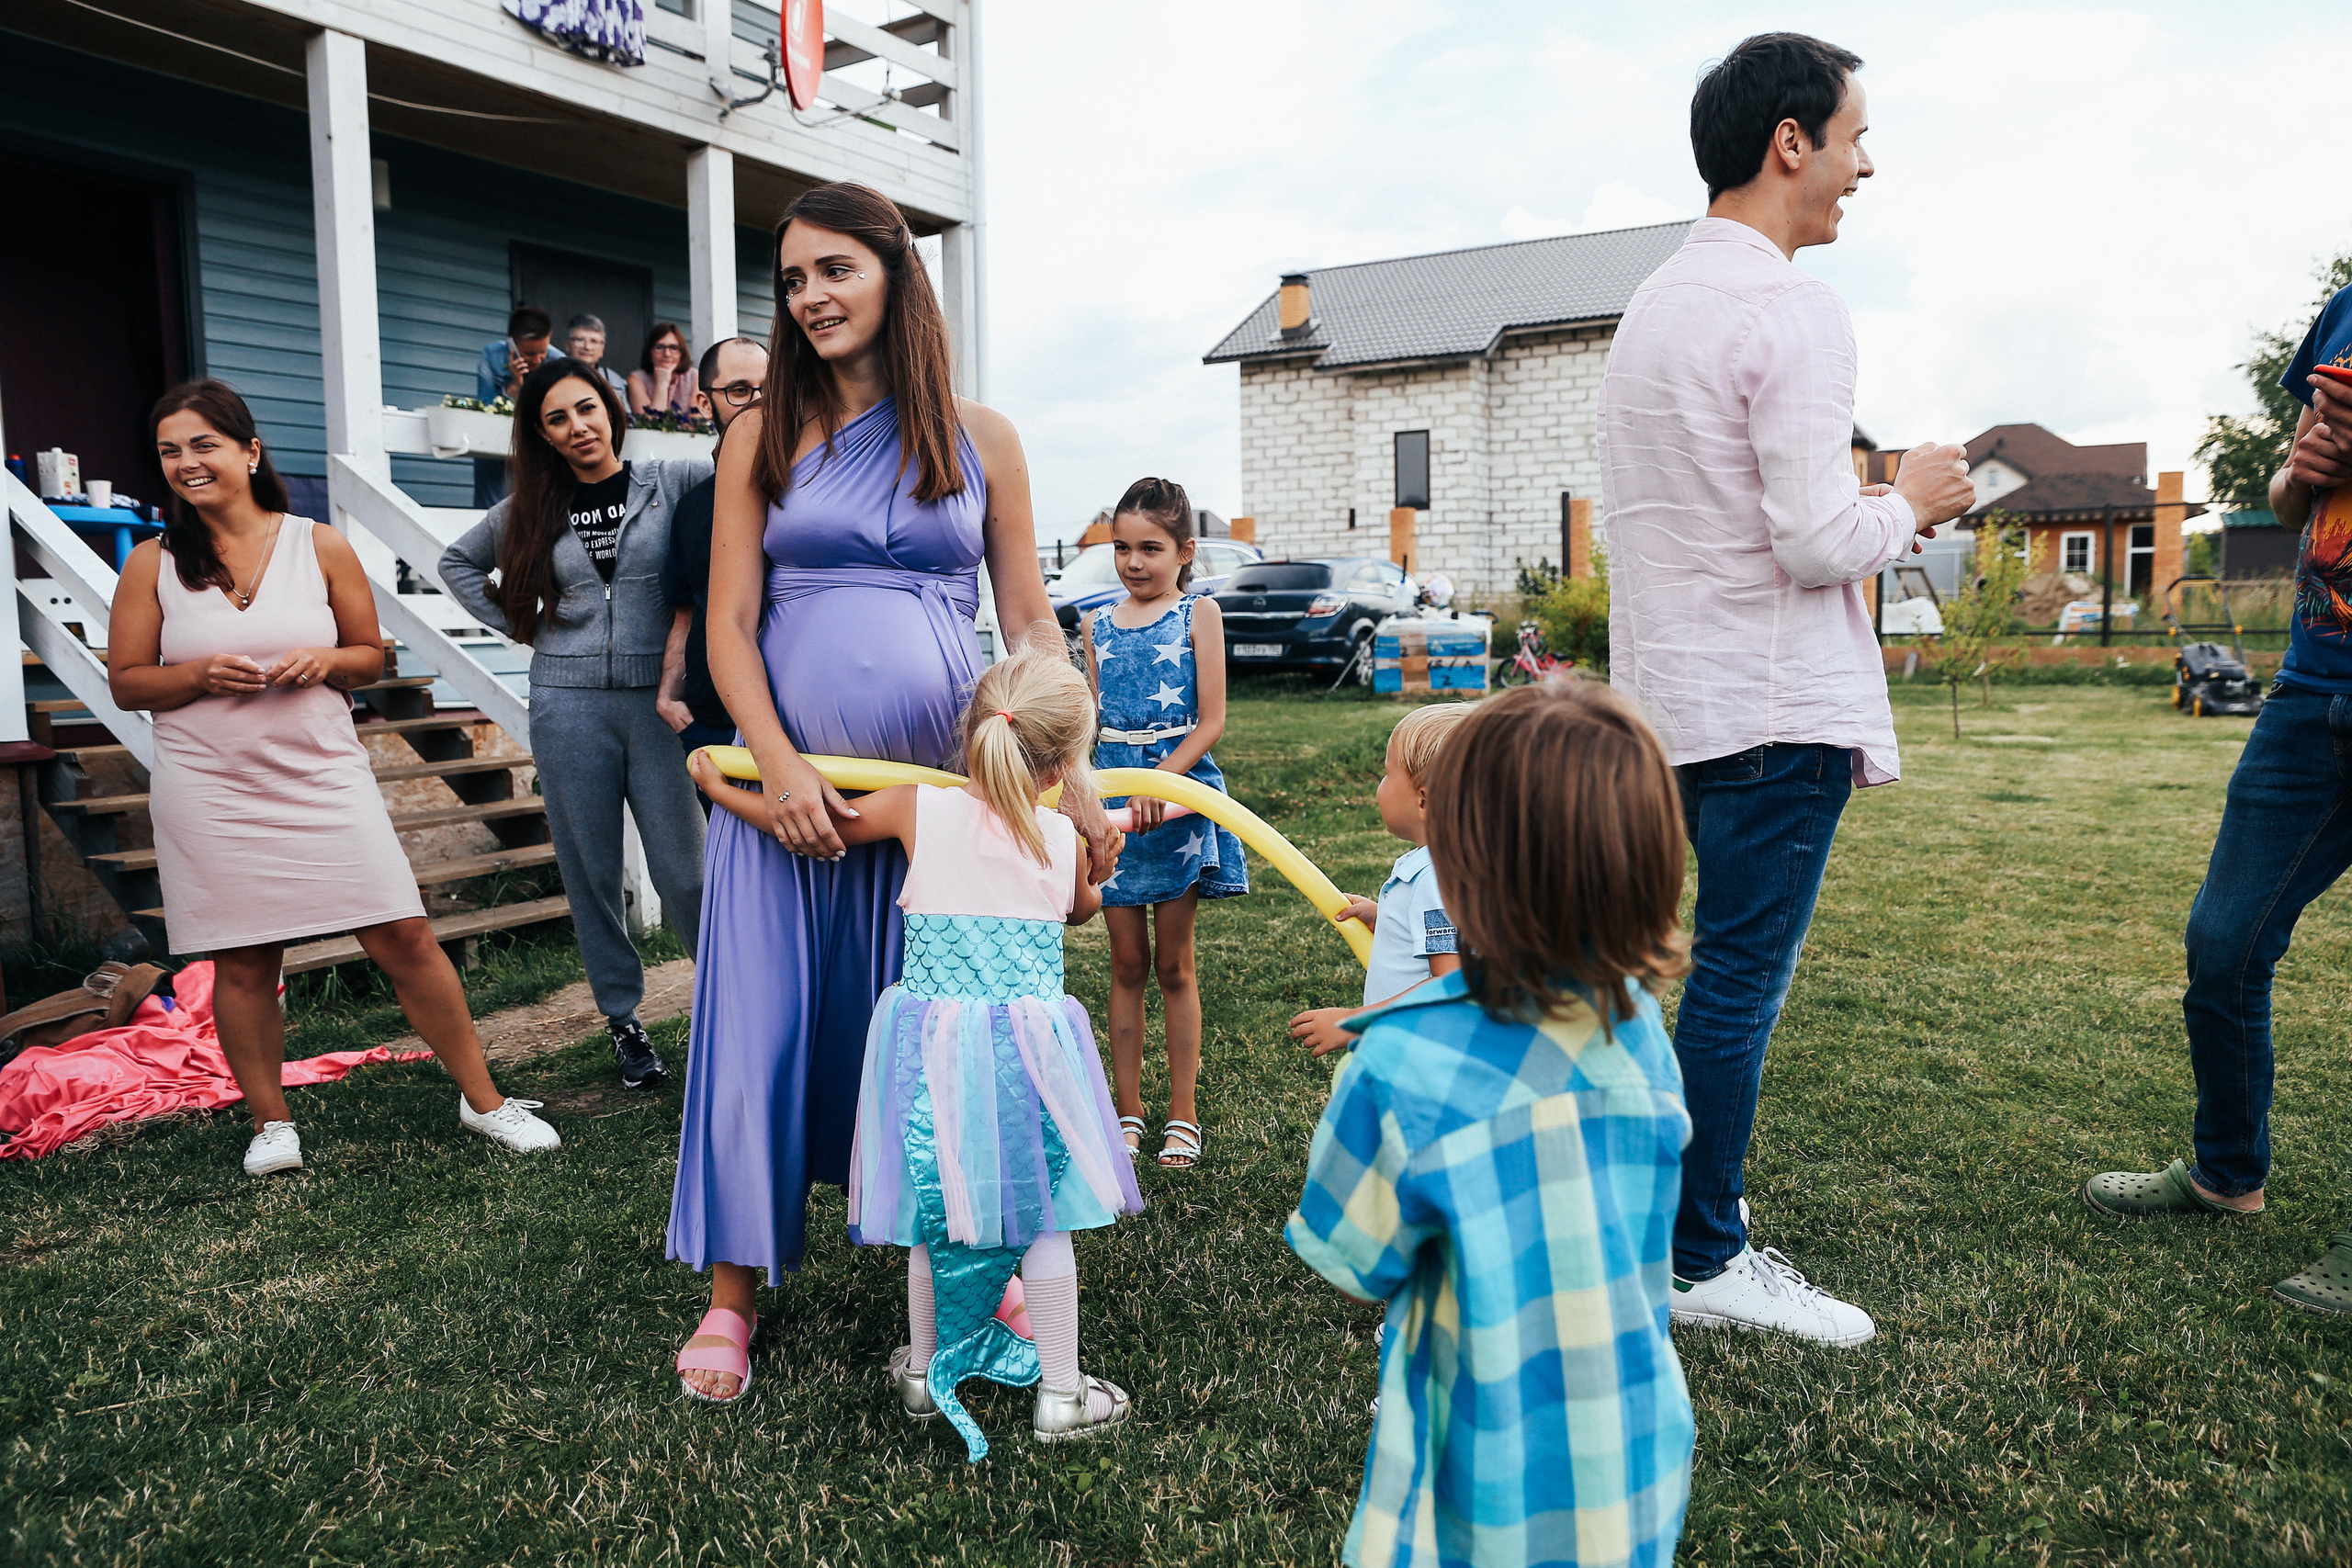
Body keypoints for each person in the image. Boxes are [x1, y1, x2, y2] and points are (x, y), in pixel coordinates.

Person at [664, 180, 1117, 1403]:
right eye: (793, 278)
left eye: (836, 269)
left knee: (942, 1032)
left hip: (937, 784)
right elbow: (730, 624)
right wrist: (778, 762)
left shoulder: (983, 437)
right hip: (788, 783)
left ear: (895, 274)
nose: (811, 296)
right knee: (759, 1027)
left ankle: (972, 1265)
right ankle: (732, 1292)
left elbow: (1027, 618)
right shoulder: (759, 436)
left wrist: (1067, 763)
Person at [1600, 32, 1977, 1344]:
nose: (1865, 167)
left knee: (1674, 977)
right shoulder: (1792, 307)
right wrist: (1911, 499)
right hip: (1773, 706)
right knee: (1736, 985)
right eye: (1855, 138)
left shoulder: (1651, 309)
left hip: (1668, 708)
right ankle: (1701, 1256)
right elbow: (1817, 541)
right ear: (1789, 143)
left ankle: (1659, 1220)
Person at [688, 645, 1146, 1447]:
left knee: (935, 1208)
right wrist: (1101, 861)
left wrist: (721, 788)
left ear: (971, 731)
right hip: (1028, 1059)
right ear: (1060, 767)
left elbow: (820, 829)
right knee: (1044, 1218)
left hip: (935, 1056)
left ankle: (923, 1374)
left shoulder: (915, 808)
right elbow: (1079, 910)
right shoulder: (1064, 837)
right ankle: (1063, 1393)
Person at [1287, 679, 1696, 1568]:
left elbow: (1353, 1260)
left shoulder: (1399, 1064)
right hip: (1633, 1450)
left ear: (1463, 869)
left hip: (1471, 1471)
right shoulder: (1640, 1035)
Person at [107, 379, 560, 1175]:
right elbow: (127, 681)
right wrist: (201, 674)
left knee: (404, 933)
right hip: (211, 787)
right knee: (245, 959)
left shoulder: (318, 545)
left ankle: (484, 1100)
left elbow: (368, 656)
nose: (186, 463)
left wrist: (325, 661)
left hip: (320, 775)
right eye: (170, 451)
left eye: (204, 444)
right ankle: (270, 1123)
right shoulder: (152, 563)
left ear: (250, 451)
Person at [2083, 294, 2352, 1316]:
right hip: (2311, 688)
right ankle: (2226, 1173)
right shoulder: (2343, 314)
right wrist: (2301, 473)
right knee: (2224, 941)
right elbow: (2286, 501)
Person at [439, 358, 710, 1091]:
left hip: (660, 705)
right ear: (542, 434)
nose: (577, 427)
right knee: (591, 869)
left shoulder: (674, 480)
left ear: (611, 409)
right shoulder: (531, 507)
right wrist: (525, 626)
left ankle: (724, 1001)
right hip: (568, 705)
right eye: (556, 418)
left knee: (686, 871)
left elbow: (744, 489)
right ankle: (623, 1020)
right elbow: (457, 564)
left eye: (586, 408)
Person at [1080, 478, 1246, 1170]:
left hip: (1175, 802)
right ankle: (1128, 1112)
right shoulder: (1095, 624)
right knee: (1126, 962)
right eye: (1122, 547)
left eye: (1150, 548)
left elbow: (1211, 720)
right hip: (1117, 807)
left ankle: (1183, 1111)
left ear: (1185, 551)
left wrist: (1163, 782)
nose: (1134, 562)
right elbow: (1089, 726)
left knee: (1174, 964)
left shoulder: (1197, 615)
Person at [1287, 702, 1474, 1058]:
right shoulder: (1452, 867)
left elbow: (1450, 984)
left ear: (1424, 801)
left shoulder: (1434, 879)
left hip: (1419, 1055)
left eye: (1388, 774)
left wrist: (1354, 1021)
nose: (1380, 786)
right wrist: (1387, 918)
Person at [658, 334, 772, 772]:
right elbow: (686, 612)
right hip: (711, 723)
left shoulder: (811, 490)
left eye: (770, 388)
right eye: (740, 390)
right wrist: (669, 694)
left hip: (798, 717)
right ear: (706, 403)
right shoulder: (693, 506)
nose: (759, 402)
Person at [473, 304, 564, 508]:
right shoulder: (492, 356)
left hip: (540, 442)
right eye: (530, 353)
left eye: (543, 351)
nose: (538, 359)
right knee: (492, 506)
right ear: (512, 344)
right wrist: (514, 388)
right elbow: (485, 406)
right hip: (497, 441)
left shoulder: (558, 362)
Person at [627, 322, 698, 421]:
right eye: (660, 347)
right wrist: (662, 383)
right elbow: (650, 423)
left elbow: (697, 420)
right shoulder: (636, 380)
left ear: (681, 352)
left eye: (673, 348)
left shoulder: (694, 377)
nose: (667, 354)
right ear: (650, 351)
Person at [563, 313, 629, 403]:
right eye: (579, 340)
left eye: (594, 341)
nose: (587, 347)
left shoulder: (614, 381)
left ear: (602, 348)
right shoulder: (553, 375)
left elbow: (623, 412)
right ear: (567, 345)